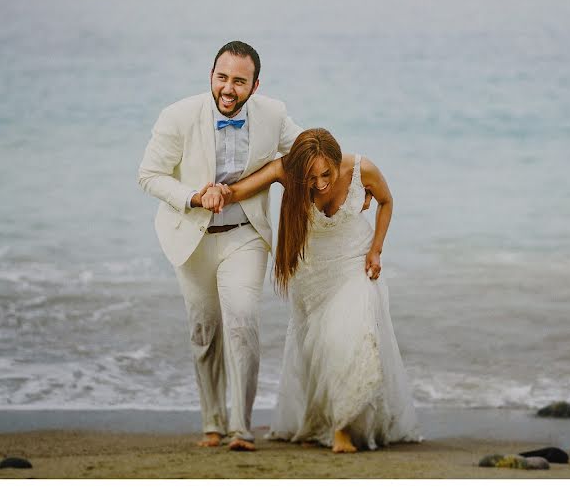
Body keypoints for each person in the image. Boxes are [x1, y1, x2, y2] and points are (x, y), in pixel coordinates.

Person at [201, 128, 421, 452]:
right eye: (311, 178)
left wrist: (377, 249)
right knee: (316, 351)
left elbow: (386, 201)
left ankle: (342, 430)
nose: (319, 184)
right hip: (313, 275)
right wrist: (216, 193)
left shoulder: (363, 169)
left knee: (349, 338)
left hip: (354, 264)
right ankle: (322, 422)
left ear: (336, 159)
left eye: (326, 174)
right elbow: (240, 190)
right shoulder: (287, 170)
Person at [138, 41, 303, 451]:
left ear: (255, 85)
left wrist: (355, 181)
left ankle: (241, 428)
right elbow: (149, 175)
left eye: (239, 82)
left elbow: (306, 153)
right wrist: (195, 196)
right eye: (222, 78)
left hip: (245, 236)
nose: (229, 89)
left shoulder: (273, 115)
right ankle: (212, 423)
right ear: (212, 76)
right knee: (205, 331)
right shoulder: (176, 116)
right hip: (191, 239)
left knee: (243, 321)